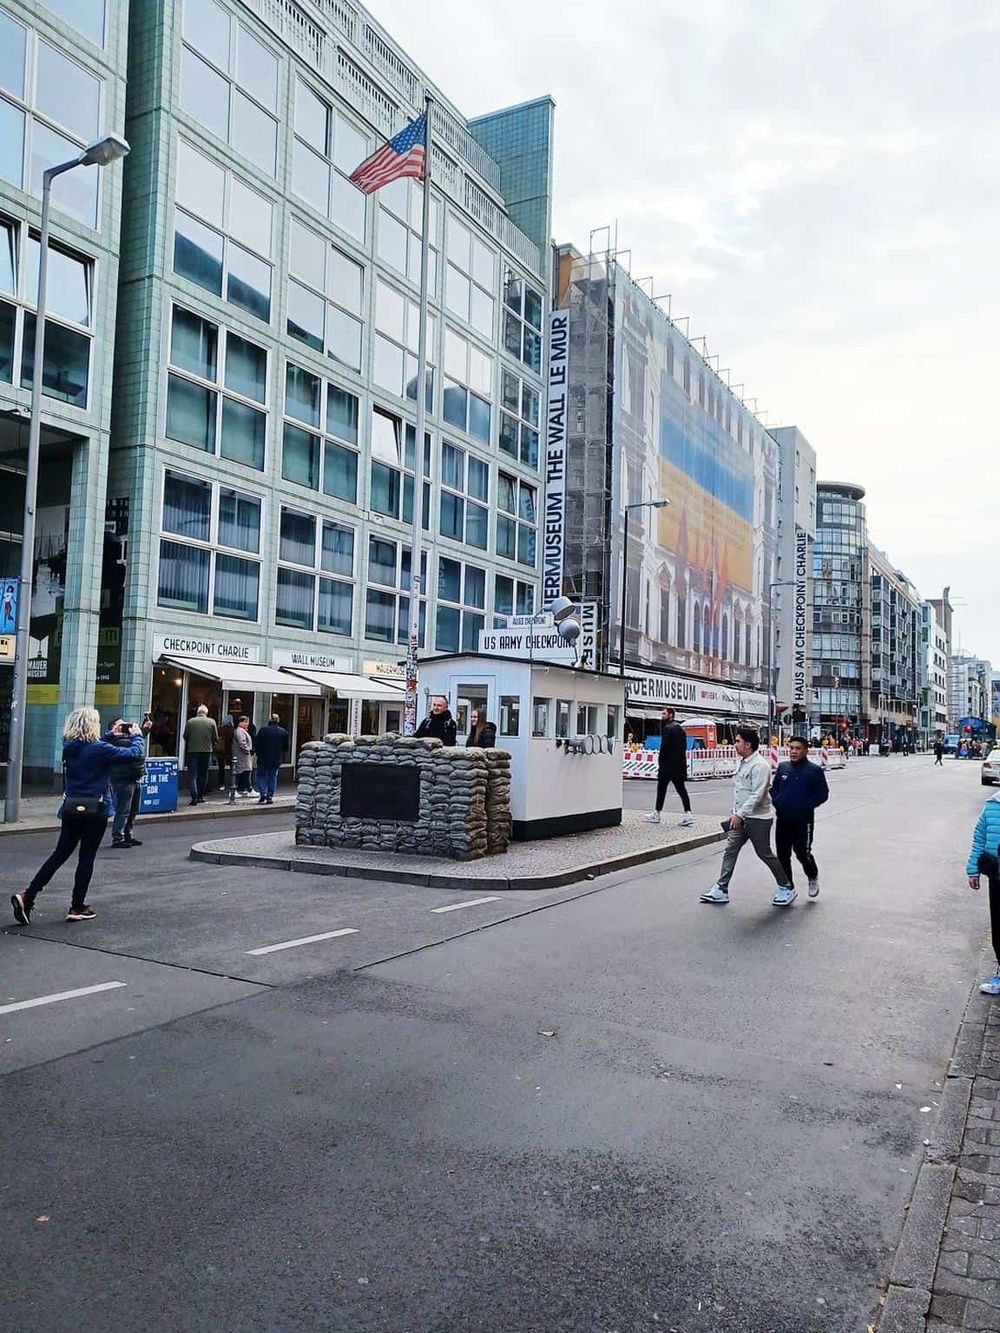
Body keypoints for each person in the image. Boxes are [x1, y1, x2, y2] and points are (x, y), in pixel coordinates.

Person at [10, 708, 145, 925]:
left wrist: (112, 734)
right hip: (96, 809)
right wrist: (137, 736)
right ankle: (77, 906)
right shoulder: (100, 749)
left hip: (72, 808)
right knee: (86, 857)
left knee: (59, 854)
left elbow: (91, 747)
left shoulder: (70, 747)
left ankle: (28, 896)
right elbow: (132, 754)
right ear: (93, 725)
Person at [701, 727, 795, 908]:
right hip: (740, 817)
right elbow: (740, 792)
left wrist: (740, 814)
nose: (734, 745)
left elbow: (757, 795)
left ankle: (786, 886)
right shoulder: (743, 763)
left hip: (758, 818)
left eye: (737, 741)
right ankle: (721, 889)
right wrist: (735, 813)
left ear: (748, 744)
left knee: (764, 853)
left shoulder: (759, 765)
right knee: (730, 849)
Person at [771, 735, 829, 900]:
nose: (794, 752)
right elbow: (774, 789)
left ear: (805, 751)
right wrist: (778, 802)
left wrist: (805, 805)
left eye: (798, 749)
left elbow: (822, 794)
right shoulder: (783, 767)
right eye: (791, 748)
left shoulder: (814, 771)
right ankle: (787, 887)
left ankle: (812, 876)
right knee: (782, 855)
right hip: (783, 819)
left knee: (802, 853)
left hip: (803, 821)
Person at [966, 787, 1000, 993]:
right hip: (996, 877)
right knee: (998, 927)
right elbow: (979, 839)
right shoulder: (992, 805)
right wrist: (973, 870)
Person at [108, 713, 153, 849]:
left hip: (134, 777)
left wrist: (143, 731)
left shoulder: (127, 739)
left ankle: (128, 834)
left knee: (134, 809)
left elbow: (134, 744)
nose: (124, 727)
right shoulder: (114, 741)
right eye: (120, 725)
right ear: (113, 729)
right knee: (124, 809)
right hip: (123, 780)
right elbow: (133, 748)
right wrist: (140, 733)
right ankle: (118, 837)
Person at [643, 706, 693, 827]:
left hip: (667, 765)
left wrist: (661, 761)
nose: (662, 716)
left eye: (664, 714)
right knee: (681, 790)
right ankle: (688, 814)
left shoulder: (668, 728)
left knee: (661, 789)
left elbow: (664, 747)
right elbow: (684, 747)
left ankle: (657, 813)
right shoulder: (681, 729)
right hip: (679, 765)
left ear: (670, 715)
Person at [183, 704, 218, 805]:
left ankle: (194, 796)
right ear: (206, 713)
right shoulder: (211, 722)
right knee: (203, 775)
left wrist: (191, 743)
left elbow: (185, 736)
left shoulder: (190, 722)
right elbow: (215, 738)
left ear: (198, 712)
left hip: (192, 751)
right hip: (207, 751)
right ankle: (200, 796)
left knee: (192, 775)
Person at [254, 714, 288, 804]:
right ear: (278, 720)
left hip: (262, 758)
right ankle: (269, 796)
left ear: (269, 720)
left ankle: (263, 793)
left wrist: (258, 753)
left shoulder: (263, 730)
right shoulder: (283, 731)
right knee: (272, 777)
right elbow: (286, 746)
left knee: (260, 775)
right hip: (276, 758)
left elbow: (256, 743)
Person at [233, 715, 254, 796]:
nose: (247, 724)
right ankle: (248, 789)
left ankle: (241, 789)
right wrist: (247, 750)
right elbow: (242, 743)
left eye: (247, 722)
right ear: (240, 722)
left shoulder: (240, 730)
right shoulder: (240, 731)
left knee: (243, 772)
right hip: (242, 755)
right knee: (244, 772)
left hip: (242, 755)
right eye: (245, 722)